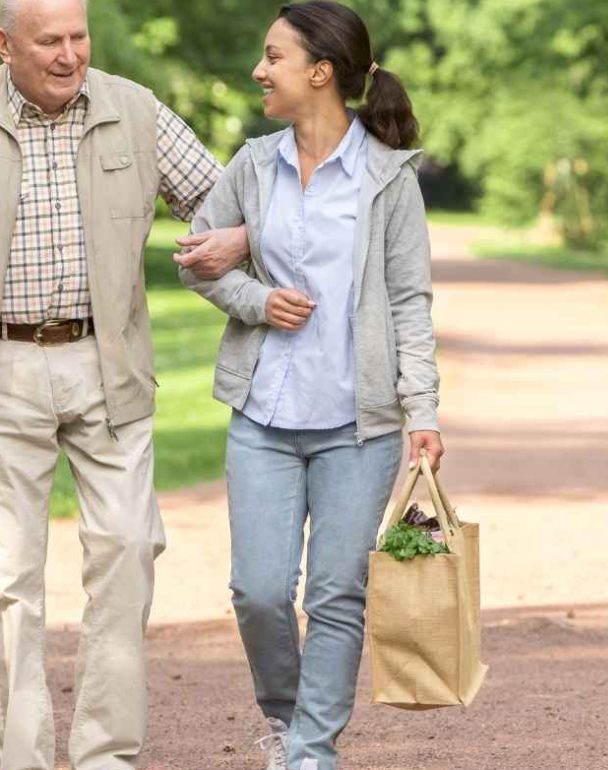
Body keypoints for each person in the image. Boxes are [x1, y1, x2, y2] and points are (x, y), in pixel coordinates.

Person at [0, 0, 249, 767]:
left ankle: (106, 757)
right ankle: (27, 760)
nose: (69, 55)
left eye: (79, 37)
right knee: (7, 579)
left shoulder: (134, 110)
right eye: (50, 42)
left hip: (107, 364)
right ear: (5, 44)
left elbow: (223, 201)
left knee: (128, 552)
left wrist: (241, 233)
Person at [179, 3, 442, 769]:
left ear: (320, 72)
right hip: (262, 412)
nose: (259, 72)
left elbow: (409, 303)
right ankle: (287, 722)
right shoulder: (252, 164)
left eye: (274, 58)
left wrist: (422, 408)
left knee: (335, 595)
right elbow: (196, 258)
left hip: (358, 426)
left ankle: (310, 752)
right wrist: (257, 300)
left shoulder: (387, 177)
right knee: (258, 592)